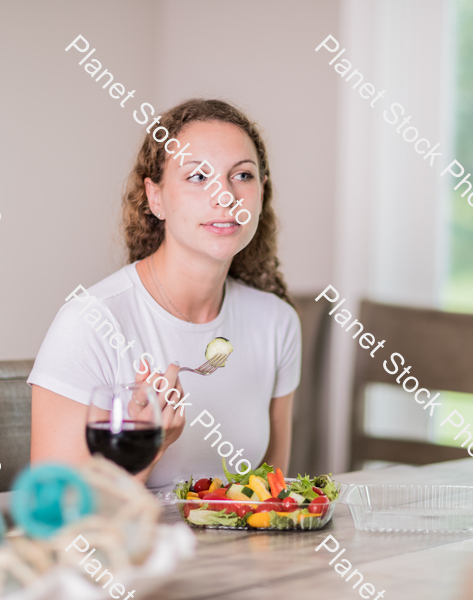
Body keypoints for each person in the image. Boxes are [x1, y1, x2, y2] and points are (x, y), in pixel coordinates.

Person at [28, 98, 301, 487]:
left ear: (262, 193)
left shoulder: (277, 323)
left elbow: (269, 498)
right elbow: (57, 517)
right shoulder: (90, 323)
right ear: (156, 197)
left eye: (242, 175)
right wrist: (149, 448)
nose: (225, 196)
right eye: (197, 177)